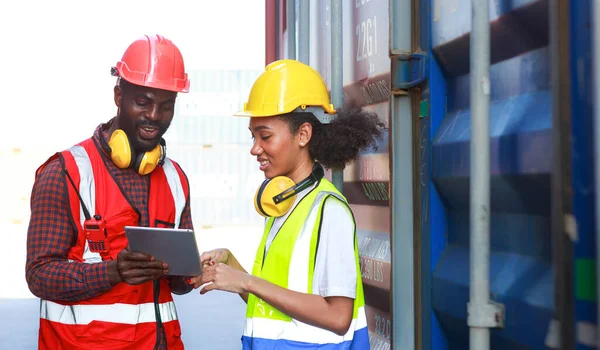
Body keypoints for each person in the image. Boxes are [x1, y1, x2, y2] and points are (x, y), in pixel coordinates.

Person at [189, 59, 384, 349]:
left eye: (265, 136)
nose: (255, 148)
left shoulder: (329, 211)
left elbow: (338, 316)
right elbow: (274, 305)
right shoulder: (283, 205)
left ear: (303, 134)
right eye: (253, 136)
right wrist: (233, 266)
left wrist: (246, 282)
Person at [26, 34, 194, 350]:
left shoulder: (175, 179)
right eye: (143, 102)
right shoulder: (65, 173)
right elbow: (40, 275)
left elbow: (179, 285)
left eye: (166, 106)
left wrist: (190, 272)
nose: (154, 116)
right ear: (118, 95)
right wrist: (113, 272)